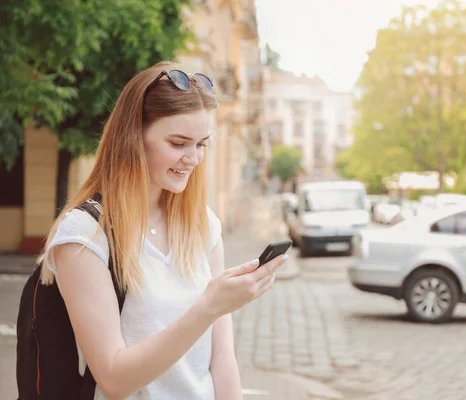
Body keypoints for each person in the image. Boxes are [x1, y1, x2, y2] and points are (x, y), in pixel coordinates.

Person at [37, 61, 288, 399]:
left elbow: (222, 359)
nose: (193, 158)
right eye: (178, 142)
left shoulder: (203, 224)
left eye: (201, 144)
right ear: (133, 138)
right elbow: (113, 379)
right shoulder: (85, 234)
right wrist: (209, 307)